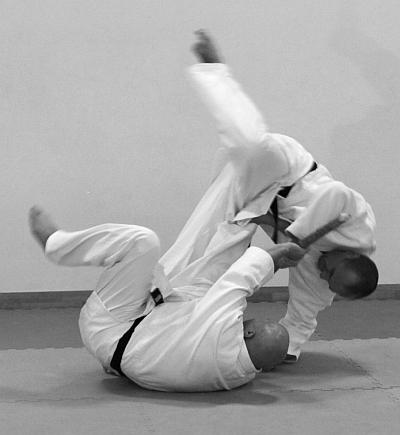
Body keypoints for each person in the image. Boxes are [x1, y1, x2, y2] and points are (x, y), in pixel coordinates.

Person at [189, 30, 378, 362]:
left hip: (255, 202)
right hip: (288, 171)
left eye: (329, 282)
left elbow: (303, 317)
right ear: (349, 255)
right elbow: (336, 193)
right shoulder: (359, 230)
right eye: (331, 272)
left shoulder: (323, 280)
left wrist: (279, 353)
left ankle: (191, 325)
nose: (322, 274)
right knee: (250, 143)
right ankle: (214, 70)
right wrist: (298, 240)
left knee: (215, 245)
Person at [29, 205, 306, 392]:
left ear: (249, 332)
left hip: (111, 325)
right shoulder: (238, 377)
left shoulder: (223, 332)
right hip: (127, 350)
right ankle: (242, 222)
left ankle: (57, 246)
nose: (246, 319)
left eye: (251, 322)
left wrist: (276, 256)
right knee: (203, 292)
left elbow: (238, 282)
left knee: (142, 242)